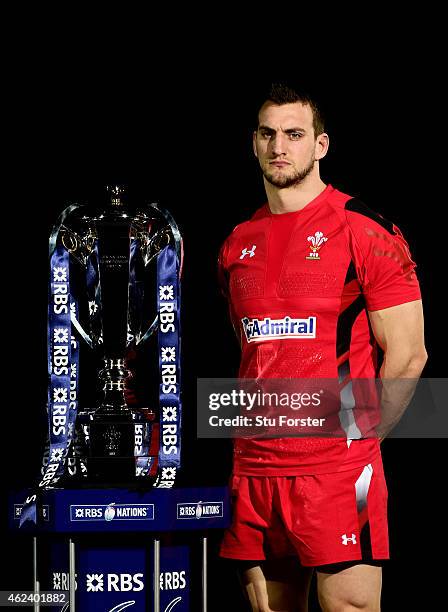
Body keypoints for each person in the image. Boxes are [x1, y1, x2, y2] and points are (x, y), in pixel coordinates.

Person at [217, 83, 427, 611]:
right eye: (268, 134)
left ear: (321, 145)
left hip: (337, 472)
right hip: (255, 469)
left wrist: (360, 442)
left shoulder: (365, 230)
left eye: (294, 134)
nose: (279, 146)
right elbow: (253, 353)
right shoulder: (237, 241)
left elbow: (408, 353)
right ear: (254, 143)